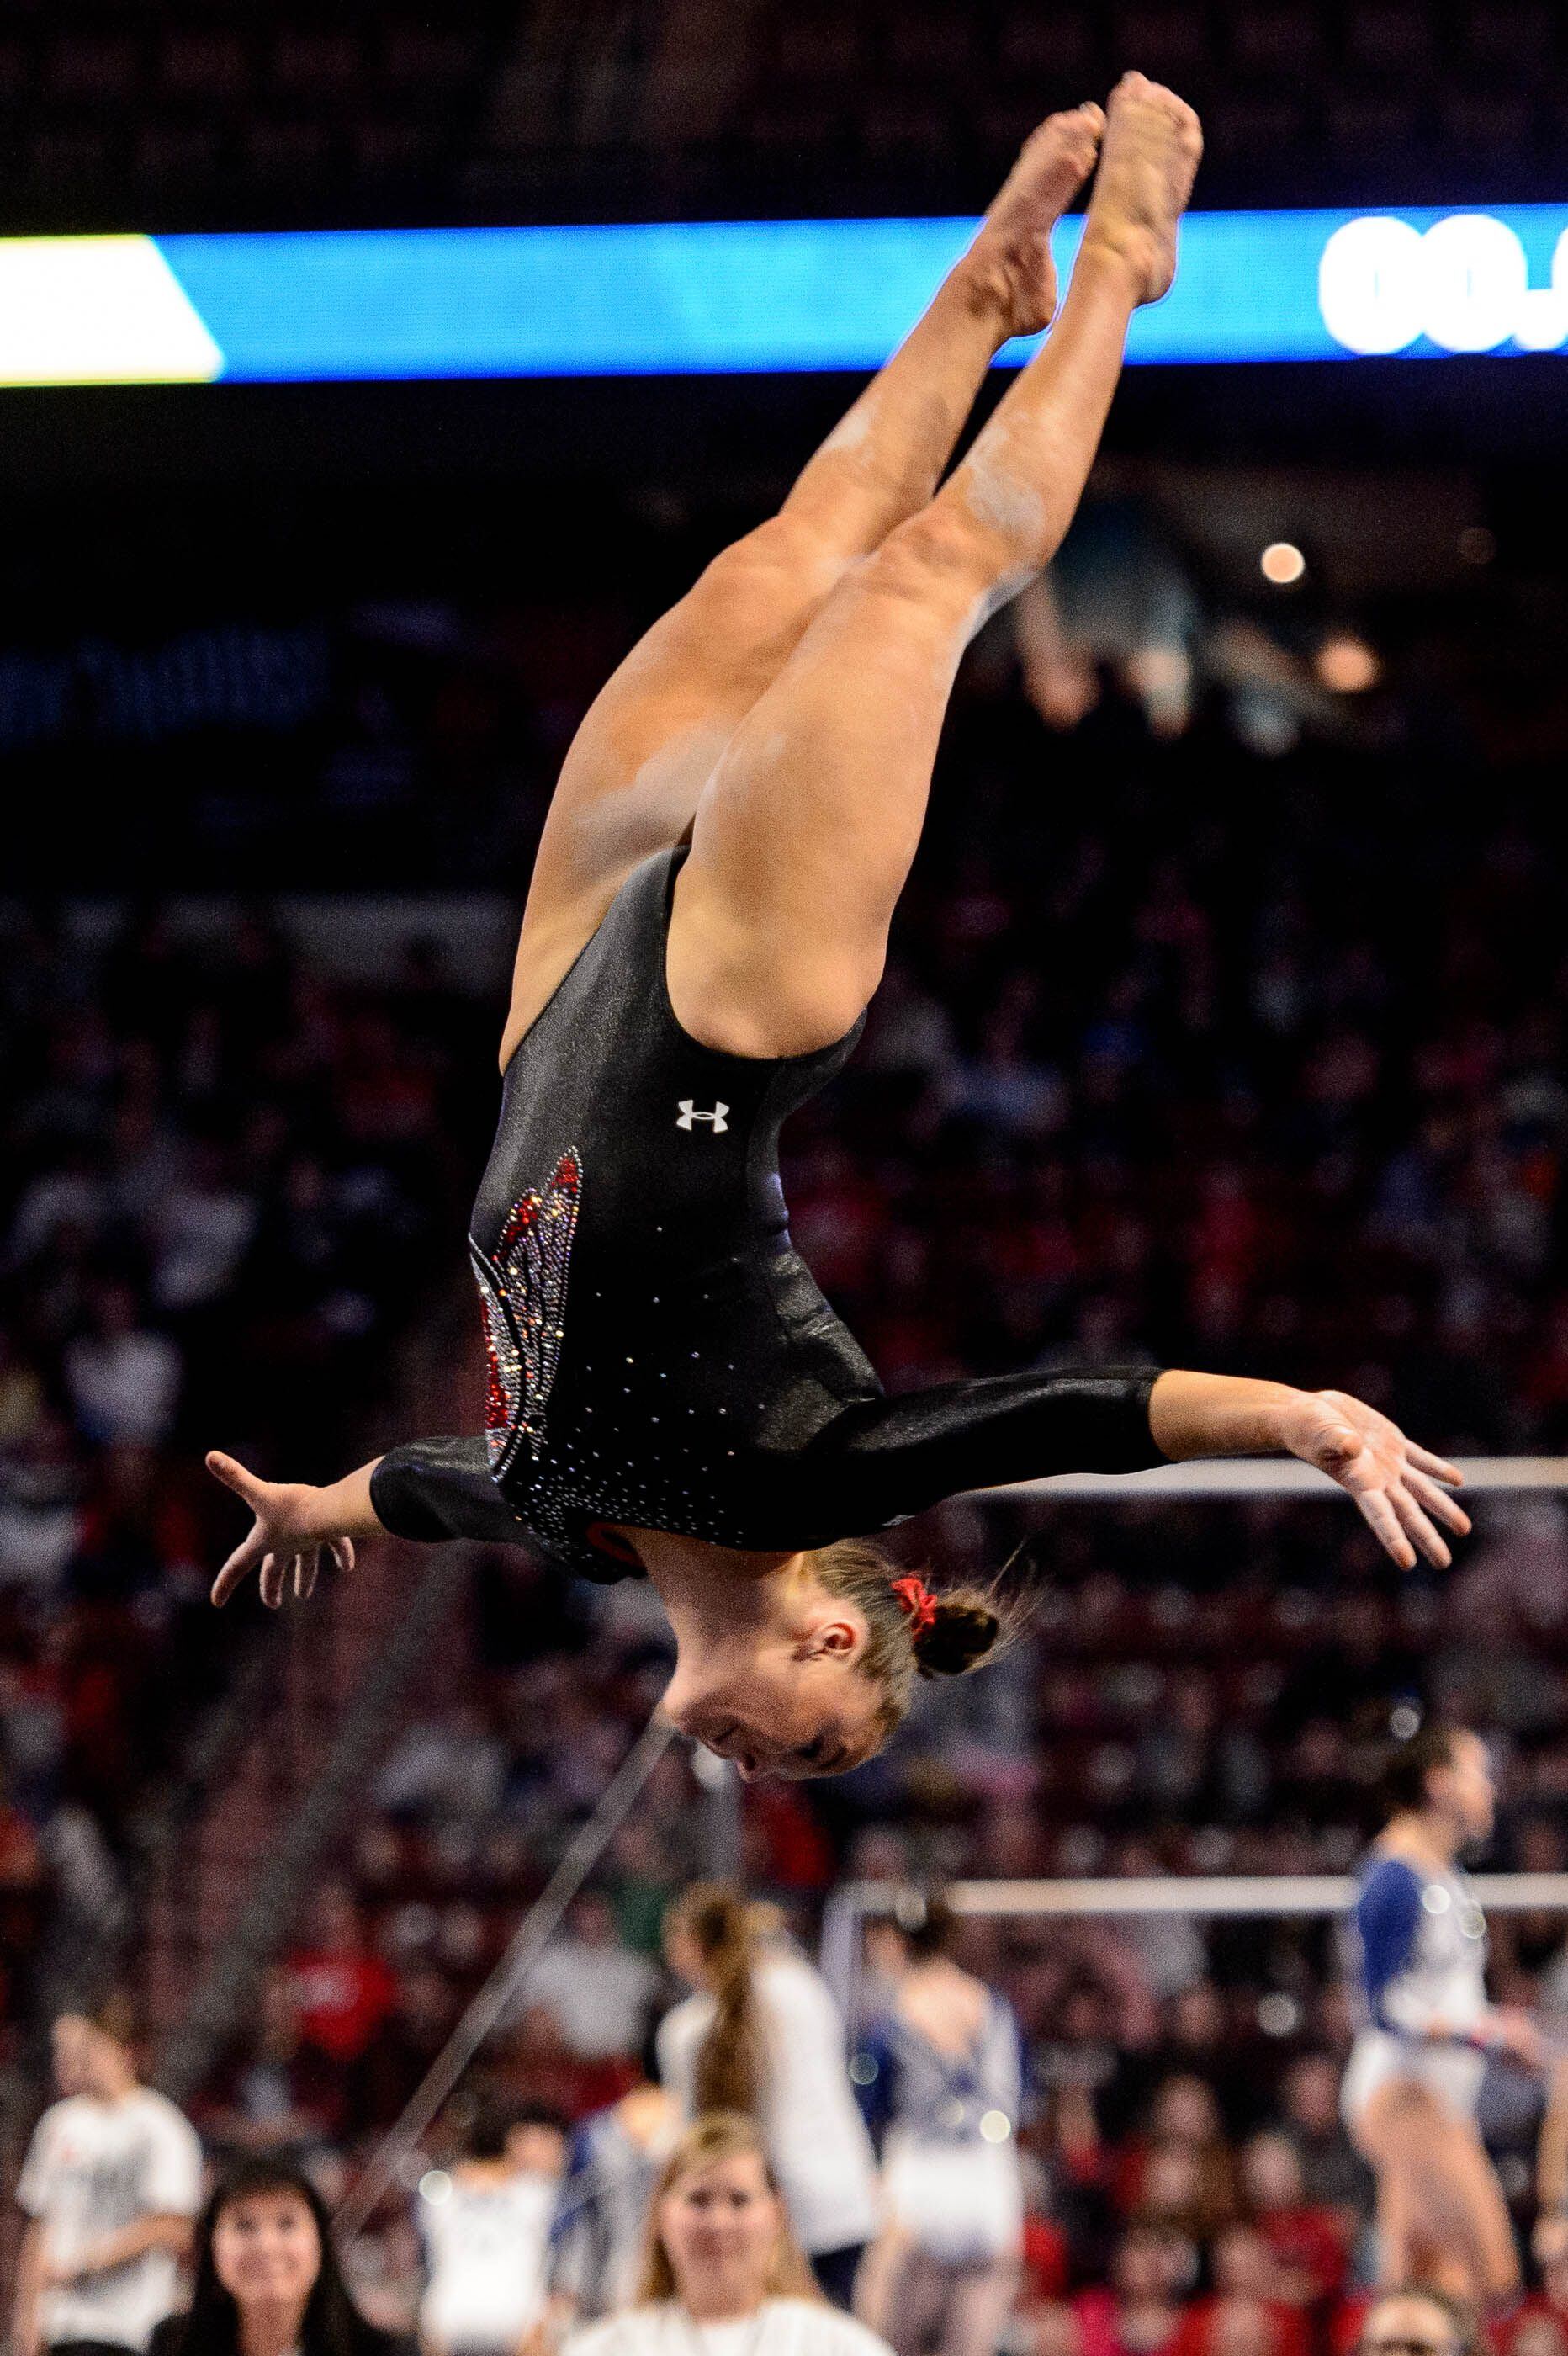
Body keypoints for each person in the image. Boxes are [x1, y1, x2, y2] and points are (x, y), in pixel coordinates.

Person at [203, 76, 1470, 1780]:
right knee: (919, 578)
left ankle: (983, 297)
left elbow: (427, 1486)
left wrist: (316, 1500)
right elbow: (1080, 1412)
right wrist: (1300, 1417)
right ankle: (1114, 274)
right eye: (812, 1744)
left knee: (777, 561)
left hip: (567, 985)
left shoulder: (569, 1527)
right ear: (826, 1630)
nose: (763, 1760)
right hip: (731, 1008)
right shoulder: (813, 1472)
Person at [1340, 1722, 1541, 2307]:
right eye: (1479, 1774)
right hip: (1404, 2095)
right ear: (1438, 1784)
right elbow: (1383, 2007)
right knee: (1493, 2276)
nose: (1491, 1791)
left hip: (1439, 2095)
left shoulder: (1444, 1876)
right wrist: (1491, 2034)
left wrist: (1495, 2028)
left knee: (1422, 2284)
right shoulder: (1394, 1877)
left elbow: (1444, 1991)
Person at [657, 1882, 879, 2308]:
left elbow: (693, 2139)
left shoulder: (687, 2031)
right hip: (842, 2195)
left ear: (687, 1946)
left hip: (773, 2214)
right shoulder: (803, 1987)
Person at [561, 2113, 895, 2356]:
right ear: (661, 2214)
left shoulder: (839, 2346)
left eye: (739, 2200)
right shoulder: (607, 2347)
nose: (719, 2223)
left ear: (776, 2214)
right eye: (699, 2200)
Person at [852, 1897, 1024, 2356]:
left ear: (894, 1943)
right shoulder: (995, 2007)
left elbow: (867, 2103)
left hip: (920, 2176)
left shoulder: (891, 2018)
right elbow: (1018, 2098)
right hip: (989, 2180)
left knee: (886, 2339)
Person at [12, 1998, 203, 2356]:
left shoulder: (160, 2126)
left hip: (126, 2325)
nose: (83, 2058)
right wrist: (26, 2319)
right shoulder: (60, 2122)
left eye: (95, 2046)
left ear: (127, 2051)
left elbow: (173, 2225)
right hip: (61, 2322)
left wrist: (82, 2264)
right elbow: (41, 2226)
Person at [146, 2158, 408, 2356]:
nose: (266, 2246)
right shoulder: (171, 2346)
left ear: (321, 2243)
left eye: (286, 2224)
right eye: (244, 2226)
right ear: (210, 2246)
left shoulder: (385, 2351)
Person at [418, 2101, 567, 2356]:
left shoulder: (437, 2194)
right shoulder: (540, 2193)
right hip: (516, 2325)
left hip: (450, 2322)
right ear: (511, 2142)